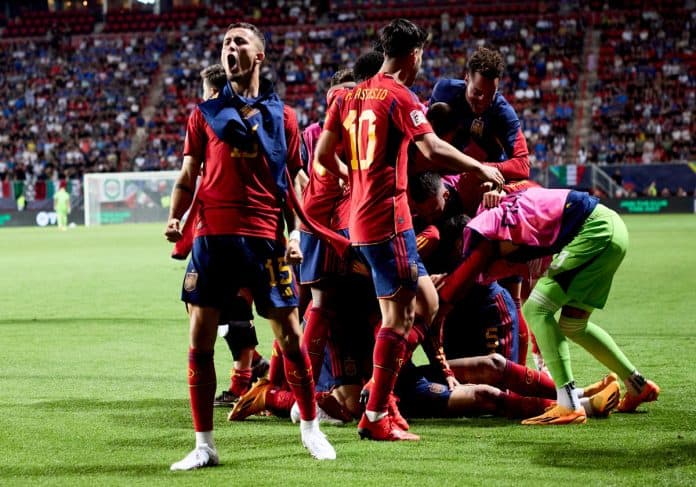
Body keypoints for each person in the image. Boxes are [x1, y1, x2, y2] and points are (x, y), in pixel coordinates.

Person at [314, 18, 505, 442]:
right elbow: (431, 148)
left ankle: (382, 404)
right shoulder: (400, 95)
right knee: (399, 320)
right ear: (414, 54)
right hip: (388, 220)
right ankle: (377, 412)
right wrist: (479, 167)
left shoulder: (348, 96)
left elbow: (324, 156)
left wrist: (353, 180)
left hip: (358, 222)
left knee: (418, 305)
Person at [164, 22, 335, 470]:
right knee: (200, 340)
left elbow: (295, 181)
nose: (230, 47)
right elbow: (188, 174)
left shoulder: (285, 117)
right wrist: (176, 215)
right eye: (225, 43)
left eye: (239, 42)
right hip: (211, 236)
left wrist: (296, 233)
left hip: (265, 238)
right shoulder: (204, 114)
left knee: (291, 337)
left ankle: (310, 428)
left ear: (259, 55)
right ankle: (204, 445)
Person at [434, 186, 660, 425]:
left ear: (459, 242)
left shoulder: (483, 230)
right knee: (573, 325)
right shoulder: (511, 227)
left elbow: (478, 272)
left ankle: (569, 405)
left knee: (536, 309)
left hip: (594, 230)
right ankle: (637, 385)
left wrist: (443, 301)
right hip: (612, 230)